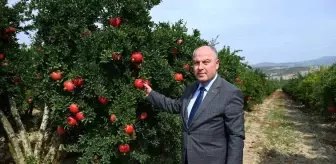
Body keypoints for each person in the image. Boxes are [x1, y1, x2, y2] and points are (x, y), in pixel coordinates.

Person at [143, 45, 245, 164]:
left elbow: (236, 136)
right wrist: (151, 94)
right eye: (196, 63)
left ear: (217, 64)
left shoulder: (230, 93)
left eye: (205, 62)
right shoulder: (191, 89)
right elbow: (175, 106)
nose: (200, 67)